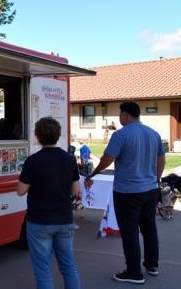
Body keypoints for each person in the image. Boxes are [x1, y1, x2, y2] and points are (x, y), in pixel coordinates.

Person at [85, 101, 164, 283]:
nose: (119, 117)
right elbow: (161, 159)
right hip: (150, 189)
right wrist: (156, 179)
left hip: (127, 192)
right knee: (149, 228)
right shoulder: (154, 134)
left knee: (129, 232)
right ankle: (152, 265)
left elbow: (107, 159)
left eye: (120, 114)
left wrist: (93, 173)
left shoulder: (120, 135)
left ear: (126, 115)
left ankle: (134, 272)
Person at [16, 116, 81, 289]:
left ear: (37, 135)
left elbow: (20, 191)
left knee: (43, 270)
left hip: (39, 220)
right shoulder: (69, 159)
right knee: (68, 266)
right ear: (58, 135)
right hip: (64, 218)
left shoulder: (33, 161)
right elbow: (75, 191)